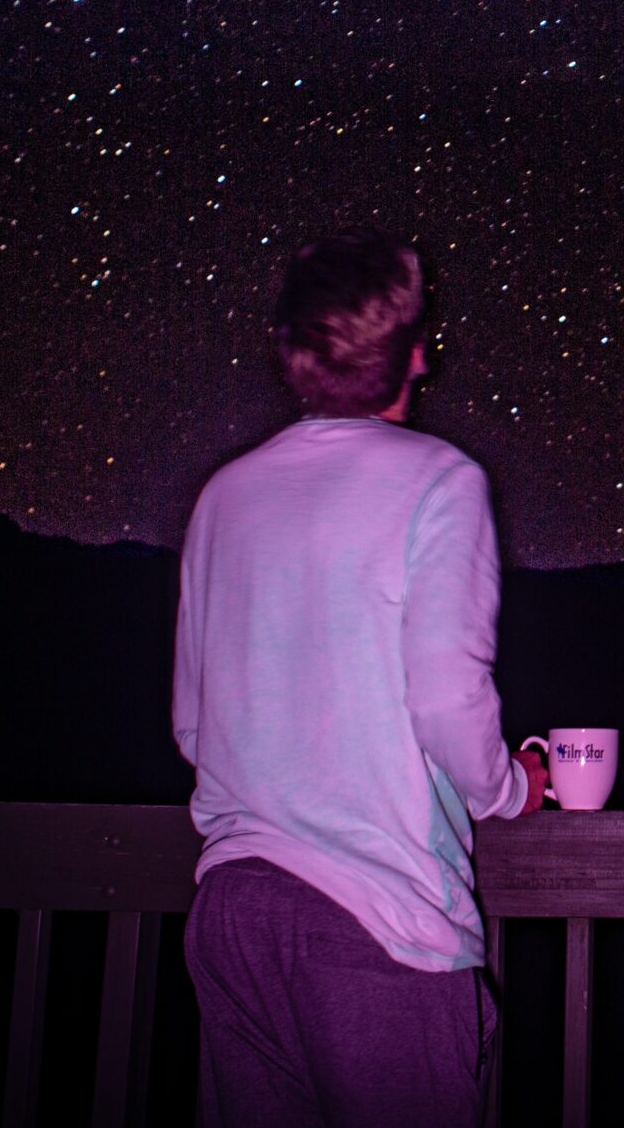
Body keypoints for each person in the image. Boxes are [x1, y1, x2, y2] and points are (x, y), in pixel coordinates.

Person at [172, 230, 548, 1127]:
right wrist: (510, 790)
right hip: (374, 921)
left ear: (292, 352)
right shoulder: (439, 481)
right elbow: (448, 701)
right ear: (416, 351)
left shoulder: (223, 493)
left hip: (234, 910)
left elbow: (193, 724)